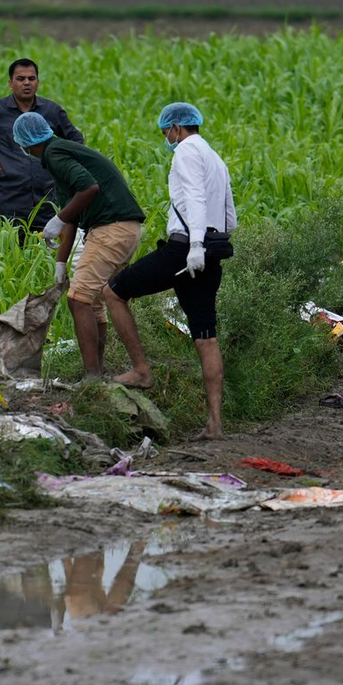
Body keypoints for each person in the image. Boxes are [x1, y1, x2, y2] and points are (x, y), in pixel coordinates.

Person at [103, 102, 237, 440]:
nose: (167, 138)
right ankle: (215, 423)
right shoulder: (215, 157)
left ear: (177, 127)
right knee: (206, 336)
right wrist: (212, 243)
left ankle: (140, 370)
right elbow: (229, 213)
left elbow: (192, 196)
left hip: (185, 250)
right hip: (214, 247)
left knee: (114, 292)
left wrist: (193, 247)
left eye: (166, 132)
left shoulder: (186, 151)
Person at [11, 111, 145, 378]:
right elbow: (72, 215)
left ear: (25, 142)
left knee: (79, 300)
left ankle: (92, 377)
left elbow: (88, 188)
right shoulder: (60, 153)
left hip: (111, 229)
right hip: (123, 229)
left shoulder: (54, 154)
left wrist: (57, 219)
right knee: (93, 302)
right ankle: (98, 370)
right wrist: (61, 261)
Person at [0, 59, 84, 239]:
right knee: (10, 255)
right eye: (20, 79)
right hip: (11, 201)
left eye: (31, 78)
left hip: (49, 201)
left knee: (49, 256)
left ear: (38, 82)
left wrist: (63, 166)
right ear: (10, 84)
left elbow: (76, 140)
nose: (26, 83)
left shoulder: (52, 110)